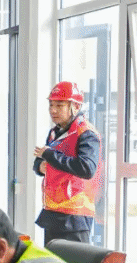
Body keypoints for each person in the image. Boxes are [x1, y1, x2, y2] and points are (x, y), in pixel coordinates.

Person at [33, 81, 102, 243]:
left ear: (75, 107)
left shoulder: (86, 133)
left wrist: (50, 155)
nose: (53, 110)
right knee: (52, 258)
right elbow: (41, 159)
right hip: (53, 212)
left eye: (59, 105)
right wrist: (40, 167)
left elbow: (87, 168)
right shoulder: (55, 132)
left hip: (75, 216)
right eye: (51, 105)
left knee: (75, 258)